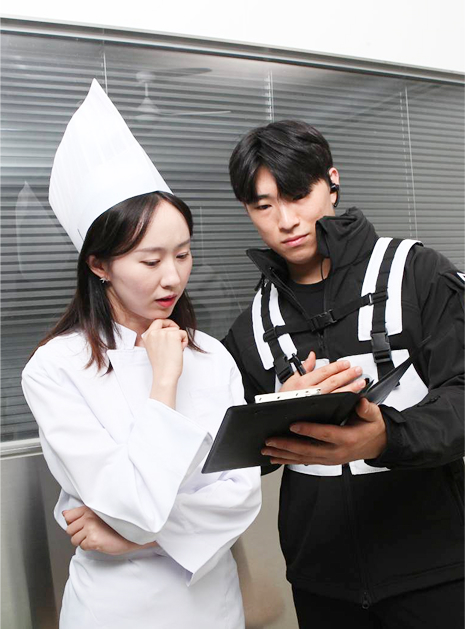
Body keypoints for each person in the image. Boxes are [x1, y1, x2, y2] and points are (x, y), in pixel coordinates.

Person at [21, 79, 262, 629]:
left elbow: (242, 495)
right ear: (99, 265)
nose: (172, 277)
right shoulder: (54, 369)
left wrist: (132, 538)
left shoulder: (213, 355)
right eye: (150, 261)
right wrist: (164, 381)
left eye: (183, 254)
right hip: (117, 609)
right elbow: (131, 505)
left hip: (212, 603)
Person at [222, 120, 465, 628]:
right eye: (264, 206)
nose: (286, 220)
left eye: (298, 195)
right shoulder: (253, 325)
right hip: (320, 580)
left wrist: (385, 437)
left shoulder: (417, 273)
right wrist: (274, 413)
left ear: (332, 181)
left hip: (437, 570)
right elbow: (227, 453)